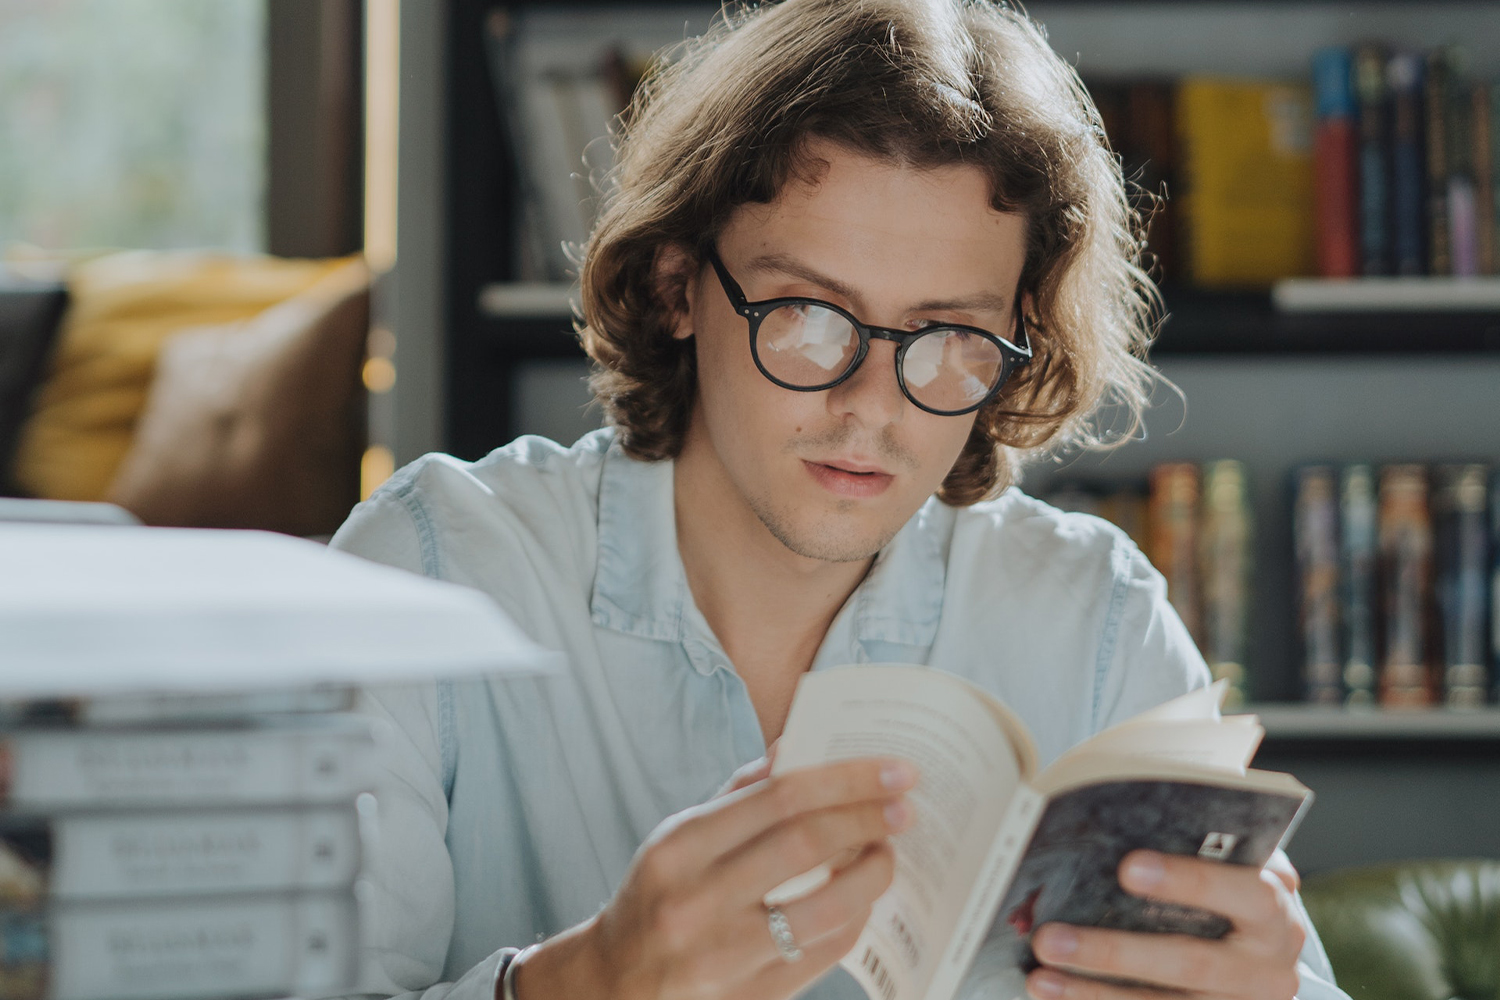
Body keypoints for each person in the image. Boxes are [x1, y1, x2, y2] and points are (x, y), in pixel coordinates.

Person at [330, 1, 1347, 998]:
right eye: (812, 317)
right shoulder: (429, 574)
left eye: (950, 335)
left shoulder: (1095, 619)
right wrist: (579, 985)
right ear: (679, 283)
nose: (871, 409)